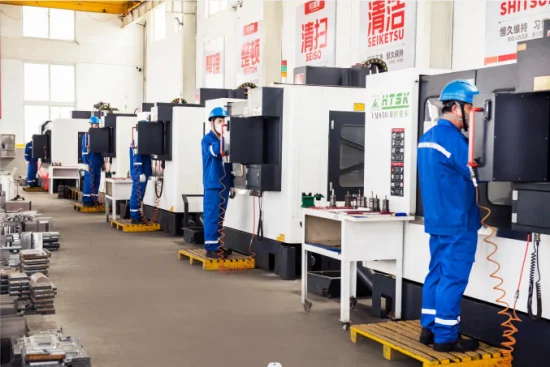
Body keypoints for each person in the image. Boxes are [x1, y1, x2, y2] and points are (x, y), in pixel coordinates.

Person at [417, 79, 481, 352]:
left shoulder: (427, 138)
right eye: (470, 107)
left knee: (437, 273)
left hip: (437, 220)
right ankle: (445, 337)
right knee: (453, 278)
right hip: (458, 222)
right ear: (456, 108)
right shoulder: (455, 141)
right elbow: (476, 172)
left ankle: (429, 328)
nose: (473, 114)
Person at [201, 107, 235, 259]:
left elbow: (229, 165)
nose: (222, 124)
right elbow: (215, 152)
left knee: (220, 215)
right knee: (211, 215)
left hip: (225, 184)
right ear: (212, 123)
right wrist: (225, 137)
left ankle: (217, 245)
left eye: (224, 121)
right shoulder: (207, 140)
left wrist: (232, 183)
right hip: (212, 184)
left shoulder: (226, 140)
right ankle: (210, 248)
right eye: (219, 121)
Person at [129, 123, 152, 224]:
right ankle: (135, 217)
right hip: (139, 173)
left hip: (143, 172)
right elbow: (137, 159)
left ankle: (137, 215)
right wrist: (140, 172)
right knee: (137, 194)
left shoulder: (143, 141)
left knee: (140, 194)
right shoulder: (137, 141)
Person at [82, 116, 103, 207]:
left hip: (98, 161)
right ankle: (87, 201)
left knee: (96, 181)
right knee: (89, 181)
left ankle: (94, 200)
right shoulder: (86, 136)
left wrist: (103, 162)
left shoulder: (100, 136)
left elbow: (102, 150)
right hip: (90, 161)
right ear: (90, 125)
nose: (97, 127)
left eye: (98, 125)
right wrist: (86, 163)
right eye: (95, 125)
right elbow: (84, 151)